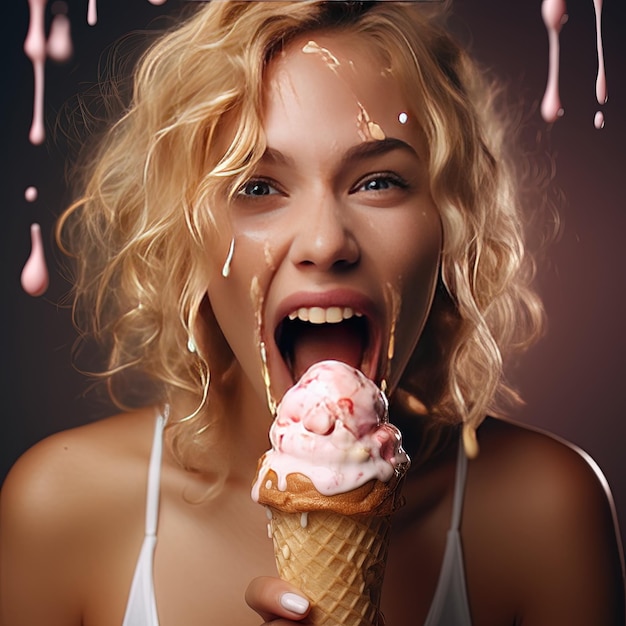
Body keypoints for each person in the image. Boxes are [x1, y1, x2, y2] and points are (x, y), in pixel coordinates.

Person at [1, 2, 624, 625]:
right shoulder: (60, 508)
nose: (327, 243)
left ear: (448, 226)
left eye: (379, 181)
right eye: (257, 186)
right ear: (185, 236)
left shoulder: (547, 513)